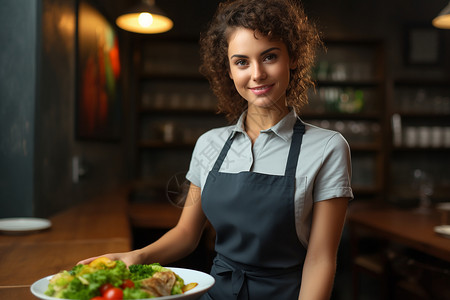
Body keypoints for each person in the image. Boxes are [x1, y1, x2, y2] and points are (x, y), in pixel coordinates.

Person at [79, 0, 353, 299]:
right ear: (229, 70)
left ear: (293, 58)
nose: (257, 73)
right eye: (242, 62)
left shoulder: (328, 148)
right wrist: (137, 256)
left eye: (270, 57)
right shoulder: (209, 144)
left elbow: (321, 259)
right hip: (216, 292)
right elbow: (186, 234)